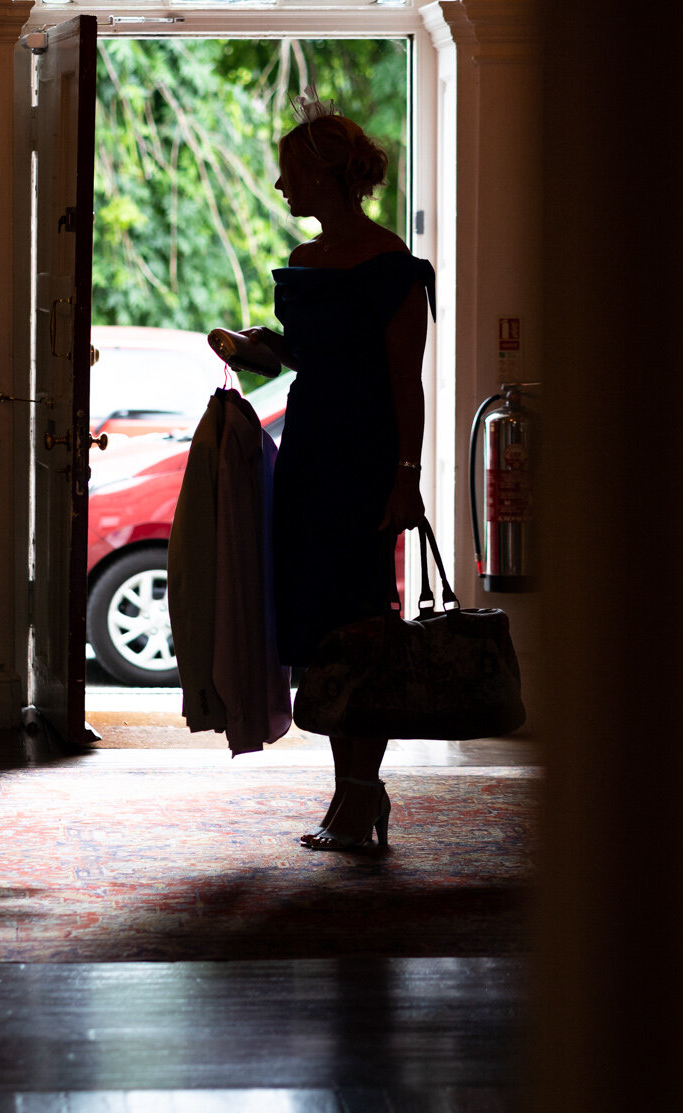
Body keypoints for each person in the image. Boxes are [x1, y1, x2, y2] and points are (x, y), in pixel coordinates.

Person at [209, 104, 433, 852]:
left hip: (365, 460)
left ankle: (361, 794)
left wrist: (406, 477)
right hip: (307, 453)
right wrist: (243, 345)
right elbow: (292, 360)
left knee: (361, 628)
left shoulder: (391, 265)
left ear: (323, 174)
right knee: (320, 630)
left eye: (289, 171)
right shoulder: (304, 265)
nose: (279, 184)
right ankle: (352, 793)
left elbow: (407, 382)